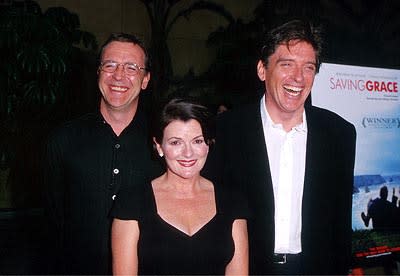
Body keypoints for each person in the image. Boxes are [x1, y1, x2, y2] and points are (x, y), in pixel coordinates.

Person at [212, 20, 356, 274]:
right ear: (262, 70)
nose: (298, 78)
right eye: (286, 64)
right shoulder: (225, 131)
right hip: (246, 268)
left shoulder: (339, 134)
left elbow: (340, 222)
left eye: (308, 67)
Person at [43, 33, 158, 274]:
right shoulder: (63, 139)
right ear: (98, 72)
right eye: (110, 65)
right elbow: (53, 221)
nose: (118, 76)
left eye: (131, 67)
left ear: (145, 79)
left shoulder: (163, 143)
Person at [111, 98, 248, 275]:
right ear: (159, 146)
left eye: (197, 141)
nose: (188, 153)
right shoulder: (131, 203)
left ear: (209, 143)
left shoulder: (233, 202)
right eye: (176, 142)